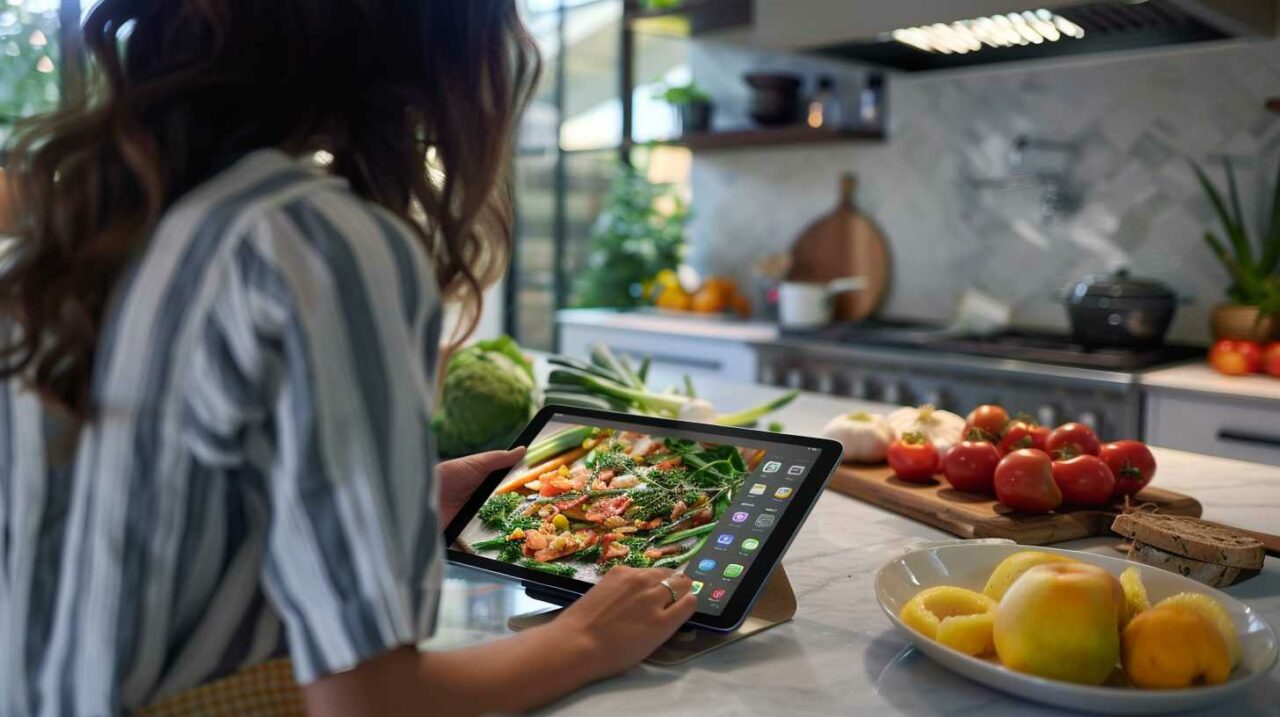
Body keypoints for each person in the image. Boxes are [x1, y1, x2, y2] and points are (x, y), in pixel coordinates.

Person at [0, 2, 696, 715]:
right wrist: (586, 636)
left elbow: (136, 516)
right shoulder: (316, 243)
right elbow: (370, 701)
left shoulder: (76, 230)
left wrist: (385, 502)